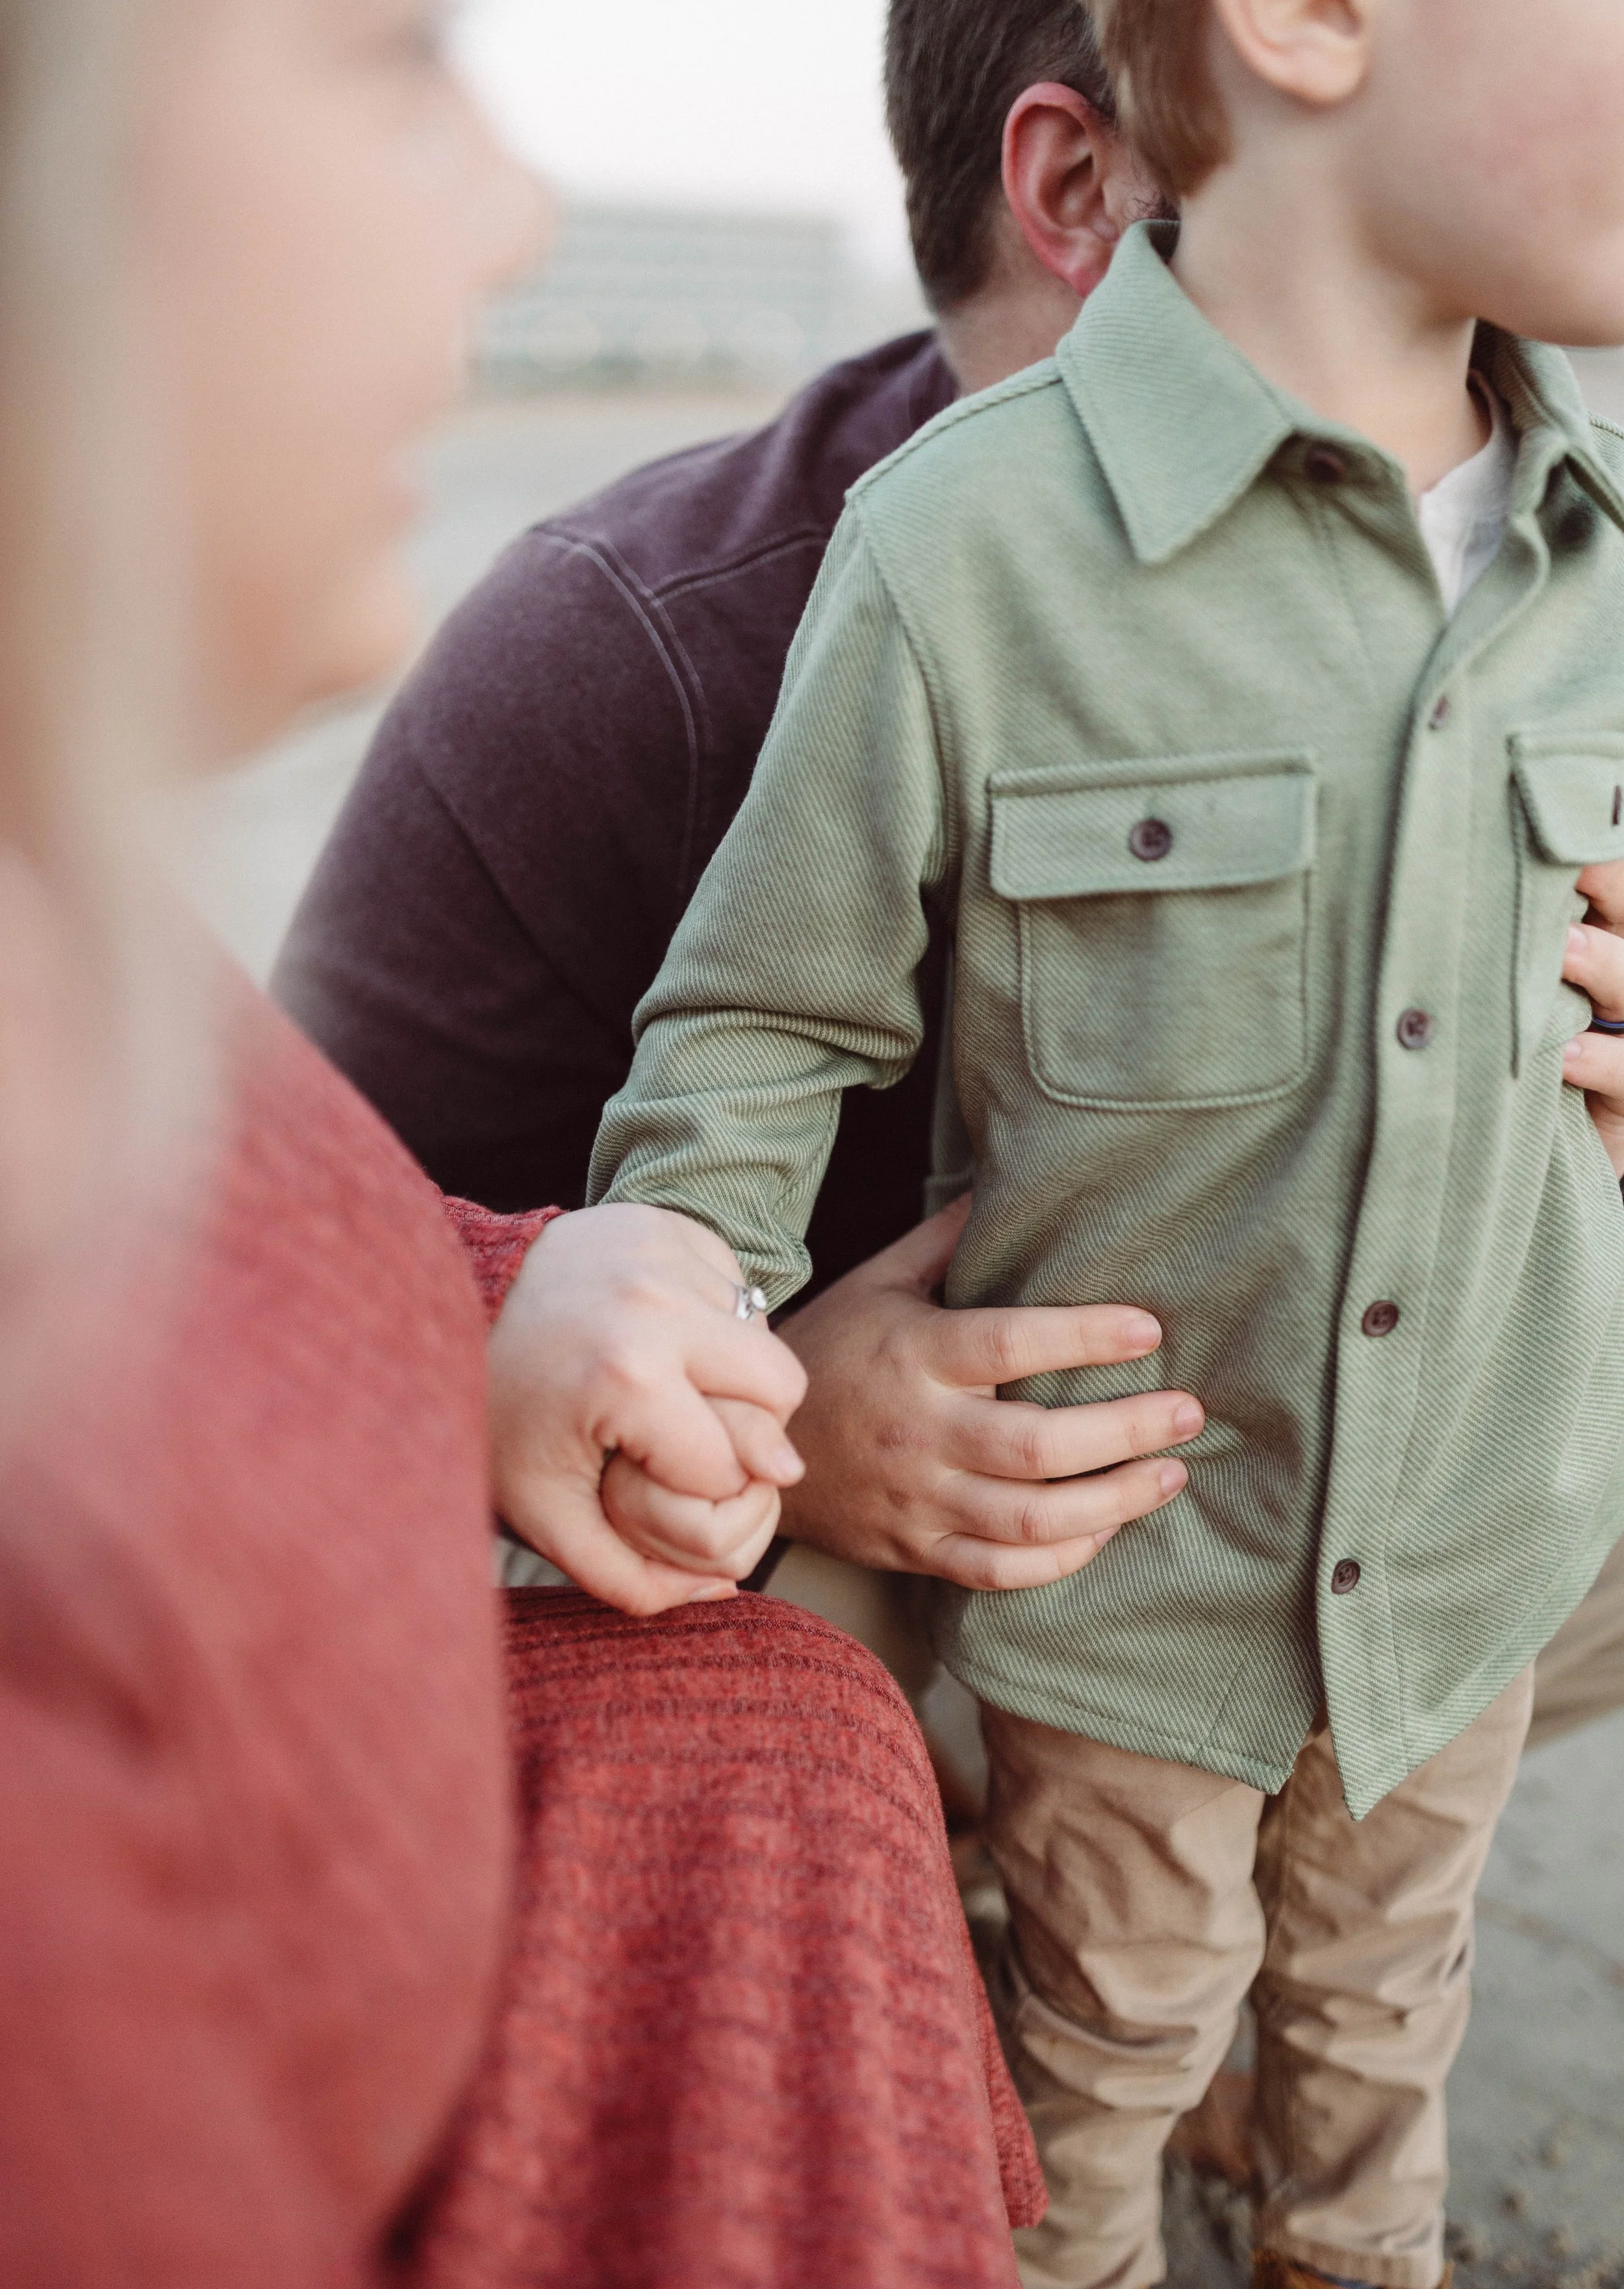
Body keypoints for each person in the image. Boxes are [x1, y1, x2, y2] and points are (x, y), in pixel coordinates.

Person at [0, 0, 1047, 2289]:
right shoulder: (656, 631)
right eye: (389, 57)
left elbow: (261, 1251)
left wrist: (504, 1300)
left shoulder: (75, 944)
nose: (517, 207)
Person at [581, 0, 1624, 2289]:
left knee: (1389, 1992)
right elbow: (757, 1025)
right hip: (1128, 1578)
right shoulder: (966, 548)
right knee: (1112, 2010)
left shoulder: (1608, 553)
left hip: (1469, 1533)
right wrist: (685, 1335)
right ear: (1307, 22)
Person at [273, 0, 1624, 1741]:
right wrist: (776, 1421)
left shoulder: (1535, 557)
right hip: (793, 1575)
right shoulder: (623, 654)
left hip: (1364, 1520)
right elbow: (250, 1290)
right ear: (1081, 192)